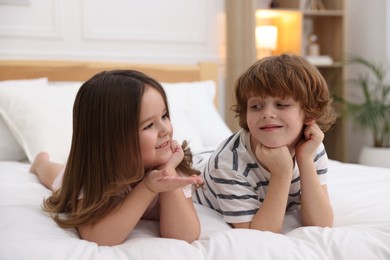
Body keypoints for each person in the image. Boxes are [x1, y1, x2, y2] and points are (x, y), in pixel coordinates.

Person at [30, 69, 203, 246]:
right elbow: (98, 237)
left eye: (164, 116)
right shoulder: (93, 177)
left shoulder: (171, 163)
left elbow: (185, 235)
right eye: (149, 125)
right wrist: (147, 188)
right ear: (111, 139)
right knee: (56, 176)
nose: (165, 129)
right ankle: (40, 162)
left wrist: (167, 173)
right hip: (101, 175)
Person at [194, 53, 337, 233]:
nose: (267, 114)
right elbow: (260, 234)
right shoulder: (228, 165)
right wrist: (282, 173)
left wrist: (305, 161)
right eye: (256, 106)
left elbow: (321, 224)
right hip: (196, 179)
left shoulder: (311, 146)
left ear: (309, 113)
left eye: (281, 104)